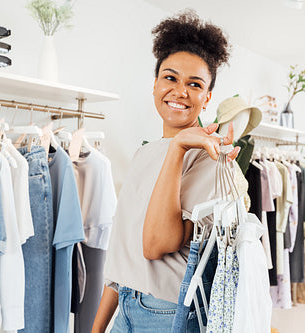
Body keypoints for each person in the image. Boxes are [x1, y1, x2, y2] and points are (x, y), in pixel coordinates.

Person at [91, 11, 239, 332]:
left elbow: (156, 244)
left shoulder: (210, 159)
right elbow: (125, 255)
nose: (180, 91)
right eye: (170, 78)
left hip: (165, 314)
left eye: (195, 84)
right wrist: (97, 327)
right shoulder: (143, 153)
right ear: (155, 84)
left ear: (207, 97)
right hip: (126, 306)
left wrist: (179, 148)